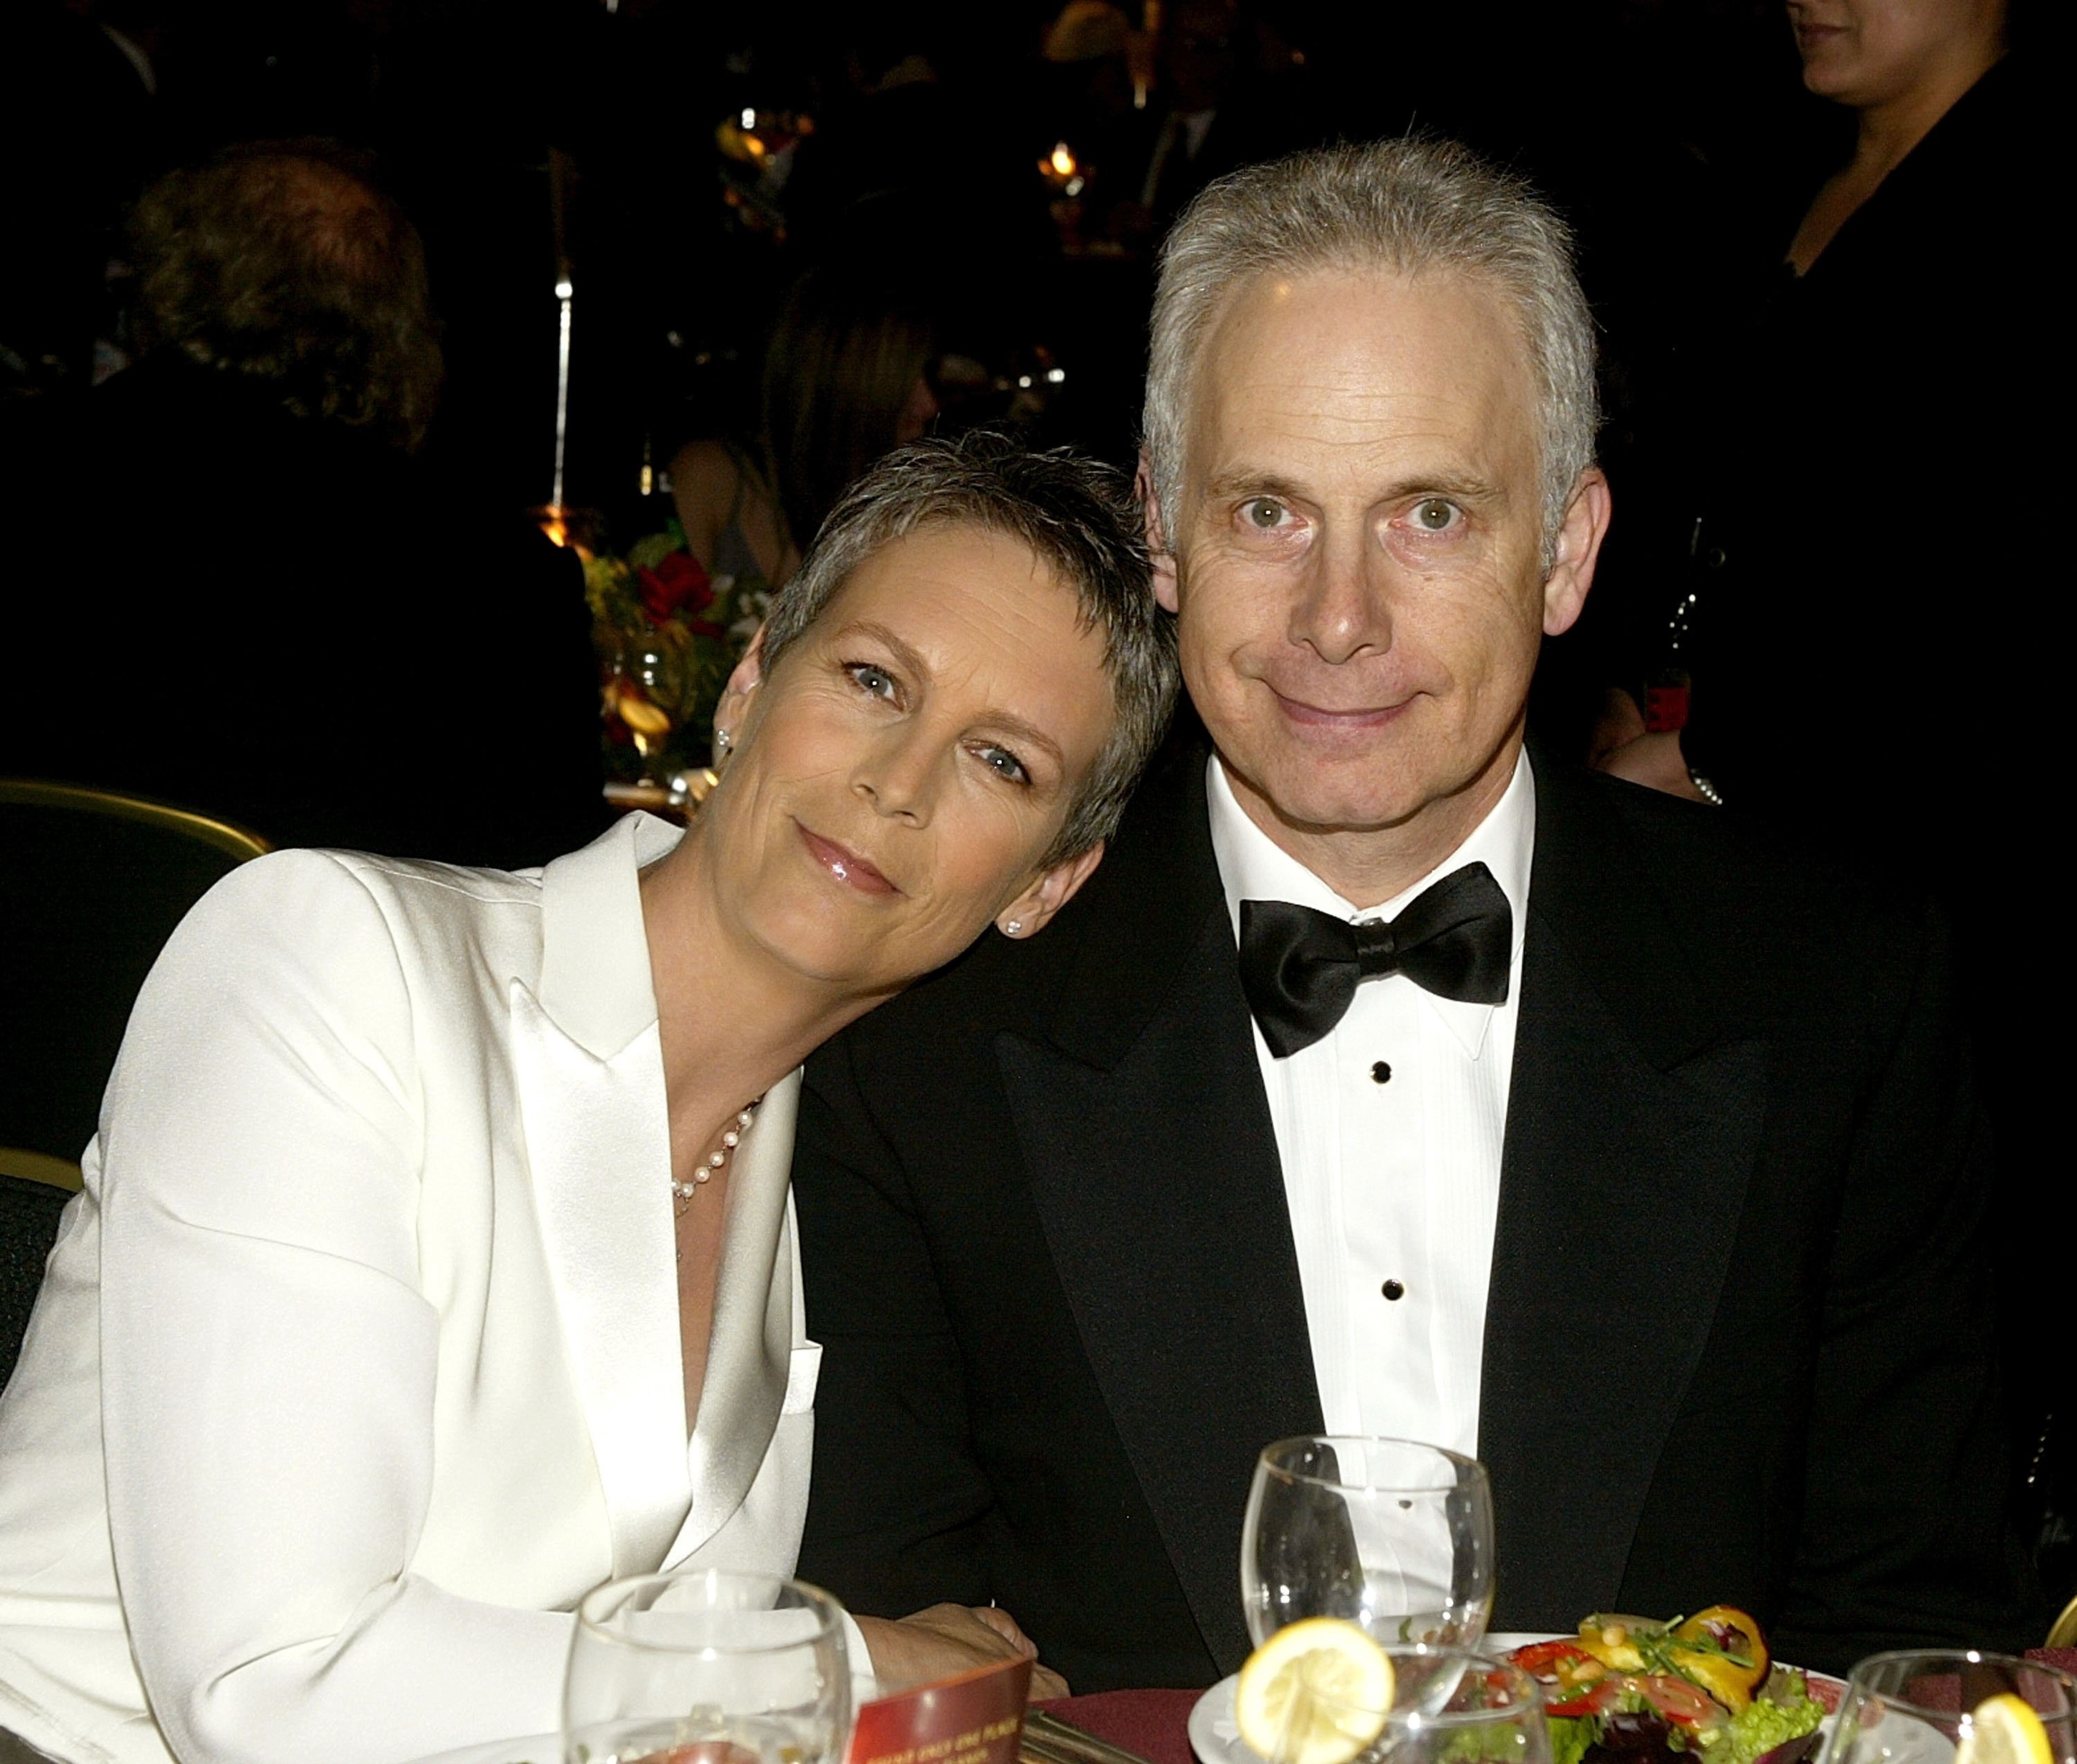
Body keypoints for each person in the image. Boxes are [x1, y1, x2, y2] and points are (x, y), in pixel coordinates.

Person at [789, 138, 2027, 1693]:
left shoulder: (1841, 990)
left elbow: (1904, 1648)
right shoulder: (929, 1024)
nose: (1339, 619)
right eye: (1268, 513)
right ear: (1162, 533)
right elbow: (898, 1644)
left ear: (1568, 550)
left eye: (1431, 514)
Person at [0, 433, 1180, 1764]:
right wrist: (845, 1660)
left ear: (1047, 884)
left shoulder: (815, 1184)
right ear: (746, 684)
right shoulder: (330, 962)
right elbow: (274, 1679)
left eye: (1000, 761)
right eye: (871, 679)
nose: (896, 782)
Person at [0, 141, 604, 870]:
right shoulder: (496, 580)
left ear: (170, 284)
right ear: (403, 332)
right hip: (326, 981)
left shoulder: (31, 482)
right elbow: (545, 891)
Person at [670, 262, 939, 595]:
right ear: (848, 382)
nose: (929, 405)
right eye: (904, 381)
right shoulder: (713, 476)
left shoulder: (896, 519)